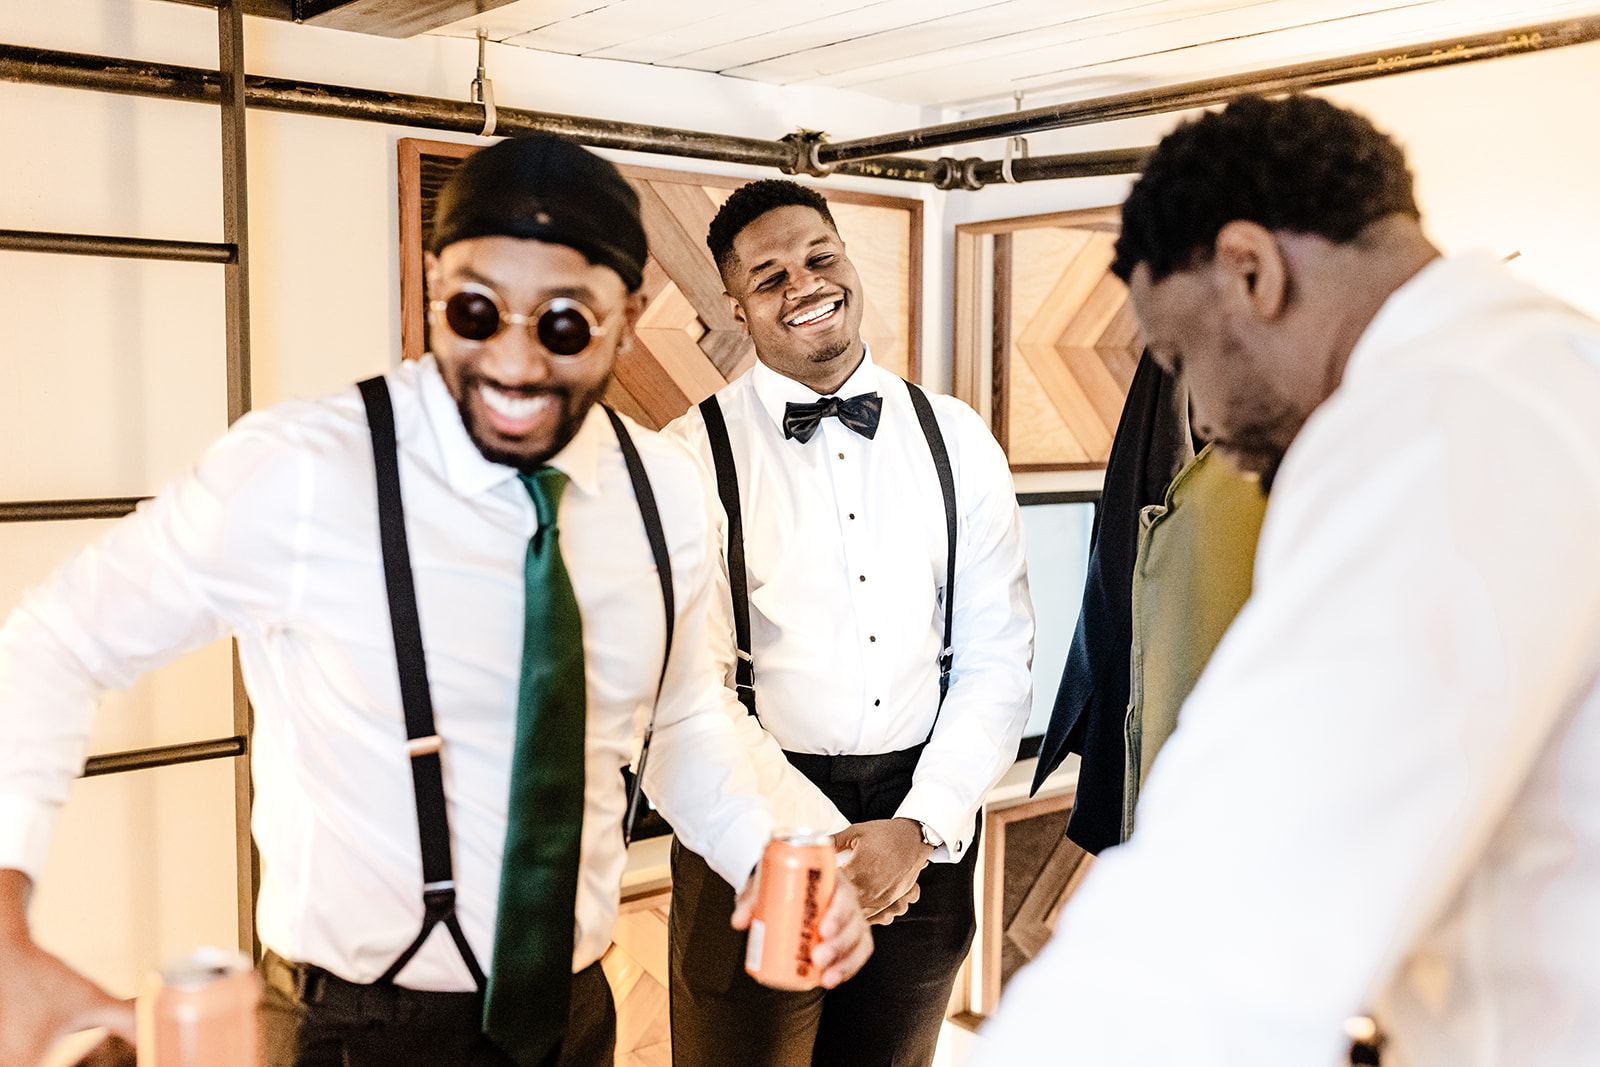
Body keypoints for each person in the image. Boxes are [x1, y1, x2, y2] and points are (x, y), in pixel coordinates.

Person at [0, 135, 873, 1067]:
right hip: (355, 1030)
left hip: (572, 1014)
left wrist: (767, 852)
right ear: (432, 288)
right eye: (474, 309)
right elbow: (55, 643)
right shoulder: (305, 468)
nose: (514, 361)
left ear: (625, 318)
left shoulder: (663, 489)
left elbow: (677, 716)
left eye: (566, 321)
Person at [969, 93, 1600, 1066]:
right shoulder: (1546, 360)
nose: (1204, 420)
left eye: (1179, 357)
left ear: (1250, 269)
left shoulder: (1432, 419)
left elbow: (1234, 889)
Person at [662, 178, 1034, 1067]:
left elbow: (998, 652)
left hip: (922, 830)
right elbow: (684, 695)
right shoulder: (688, 455)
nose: (805, 285)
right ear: (736, 307)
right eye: (770, 275)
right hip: (762, 827)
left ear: (848, 261)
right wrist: (810, 853)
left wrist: (919, 826)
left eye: (819, 257)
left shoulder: (957, 438)